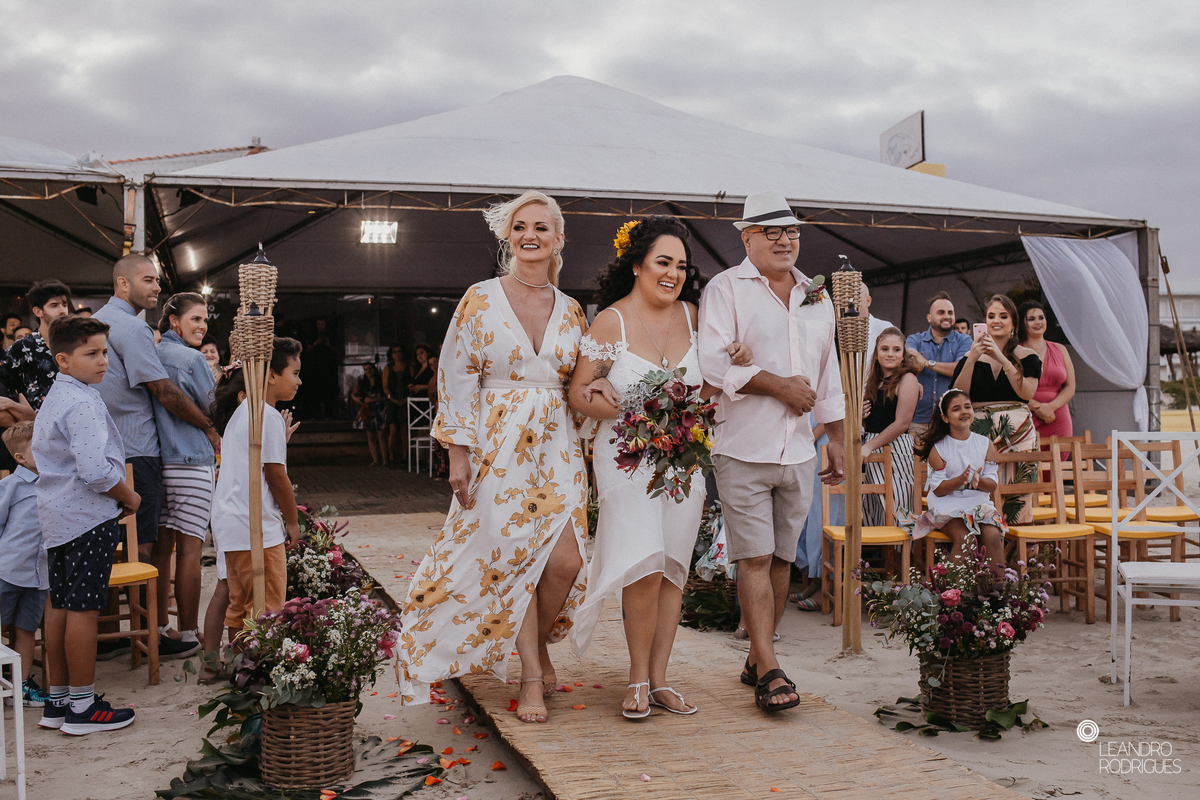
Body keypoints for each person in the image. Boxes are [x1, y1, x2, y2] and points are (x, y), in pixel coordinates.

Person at [398, 190, 598, 724]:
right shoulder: (479, 298)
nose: (530, 235)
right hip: (497, 444)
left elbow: (582, 384)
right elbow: (456, 375)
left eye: (541, 227)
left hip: (557, 445)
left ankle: (534, 644)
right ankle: (531, 671)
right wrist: (457, 455)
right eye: (520, 227)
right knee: (513, 559)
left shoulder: (574, 309)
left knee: (565, 560)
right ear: (508, 237)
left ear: (558, 238)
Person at [568, 215, 752, 718]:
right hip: (627, 458)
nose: (672, 273)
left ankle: (660, 679)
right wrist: (626, 408)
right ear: (638, 265)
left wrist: (735, 357)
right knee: (643, 564)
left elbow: (710, 385)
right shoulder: (611, 321)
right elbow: (579, 393)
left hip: (683, 460)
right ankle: (635, 680)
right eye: (663, 262)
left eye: (681, 266)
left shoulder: (695, 316)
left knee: (672, 566)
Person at [698, 190, 845, 713]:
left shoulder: (817, 296)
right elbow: (712, 365)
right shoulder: (725, 287)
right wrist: (778, 386)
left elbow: (828, 374)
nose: (786, 241)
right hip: (742, 446)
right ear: (747, 239)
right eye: (772, 232)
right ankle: (771, 669)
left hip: (800, 450)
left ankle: (756, 658)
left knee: (783, 559)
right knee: (754, 557)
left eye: (793, 232)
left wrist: (839, 439)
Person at [94, 255, 220, 660]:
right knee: (144, 547)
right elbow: (162, 391)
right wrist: (207, 425)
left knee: (134, 545)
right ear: (122, 283)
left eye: (158, 281)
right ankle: (150, 636)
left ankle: (128, 635)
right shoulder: (131, 328)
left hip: (116, 448)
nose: (155, 288)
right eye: (148, 280)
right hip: (139, 450)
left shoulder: (101, 321)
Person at [33, 315, 140, 734]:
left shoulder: (58, 395)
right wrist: (128, 496)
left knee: (60, 603)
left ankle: (57, 701)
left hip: (59, 516)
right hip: (86, 517)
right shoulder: (80, 402)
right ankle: (82, 707)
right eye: (90, 354)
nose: (102, 361)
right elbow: (96, 471)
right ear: (63, 360)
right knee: (84, 609)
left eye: (104, 352)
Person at [210, 338, 302, 637]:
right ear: (271, 375)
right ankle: (257, 671)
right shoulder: (267, 415)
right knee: (266, 606)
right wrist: (292, 520)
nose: (299, 381)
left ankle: (239, 668)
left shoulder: (245, 412)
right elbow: (276, 476)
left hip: (230, 524)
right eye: (295, 373)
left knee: (240, 605)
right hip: (256, 528)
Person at [152, 293, 218, 655]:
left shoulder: (154, 355)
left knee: (162, 550)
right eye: (195, 319)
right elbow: (214, 406)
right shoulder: (192, 359)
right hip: (191, 460)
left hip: (159, 461)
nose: (202, 325)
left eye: (205, 319)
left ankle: (161, 628)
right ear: (175, 321)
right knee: (190, 550)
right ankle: (190, 633)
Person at [910, 389, 1006, 567]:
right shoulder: (938, 448)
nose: (963, 411)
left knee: (993, 535)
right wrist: (961, 480)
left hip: (978, 505)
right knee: (965, 538)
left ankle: (994, 590)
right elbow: (937, 490)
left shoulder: (985, 444)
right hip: (946, 508)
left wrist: (979, 481)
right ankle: (949, 592)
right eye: (956, 409)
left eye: (967, 407)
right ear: (945, 418)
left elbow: (991, 485)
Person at [0, 422, 51, 706]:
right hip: (8, 570)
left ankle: (20, 687)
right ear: (20, 458)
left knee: (27, 628)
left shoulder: (55, 482)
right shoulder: (10, 487)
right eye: (39, 447)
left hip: (39, 574)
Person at [861, 327, 922, 526]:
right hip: (869, 450)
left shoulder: (908, 379)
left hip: (895, 450)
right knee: (872, 510)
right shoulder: (872, 381)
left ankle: (901, 556)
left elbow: (902, 422)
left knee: (897, 508)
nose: (890, 354)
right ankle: (877, 556)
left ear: (903, 355)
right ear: (877, 354)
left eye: (896, 350)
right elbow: (868, 421)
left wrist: (869, 447)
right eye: (885, 349)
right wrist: (859, 416)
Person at [905, 292, 971, 438]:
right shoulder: (914, 339)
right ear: (929, 318)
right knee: (915, 461)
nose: (947, 316)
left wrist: (927, 363)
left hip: (951, 423)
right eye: (941, 312)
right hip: (917, 422)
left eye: (950, 312)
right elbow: (910, 356)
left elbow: (960, 369)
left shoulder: (964, 340)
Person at [6, 279, 73, 414]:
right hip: (37, 425)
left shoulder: (76, 343)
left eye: (64, 305)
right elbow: (5, 381)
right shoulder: (23, 346)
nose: (62, 311)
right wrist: (18, 405)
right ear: (38, 311)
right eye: (54, 305)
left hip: (76, 419)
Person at [1019, 301, 1075, 440]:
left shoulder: (1061, 349)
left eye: (1041, 317)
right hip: (1025, 415)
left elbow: (1070, 386)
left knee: (1059, 460)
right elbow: (1009, 387)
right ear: (1023, 324)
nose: (1038, 322)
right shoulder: (1015, 352)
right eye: (1031, 319)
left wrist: (1051, 407)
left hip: (1058, 415)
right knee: (1027, 460)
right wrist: (1038, 408)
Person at [352, 362, 389, 467]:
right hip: (369, 410)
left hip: (380, 409)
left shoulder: (380, 382)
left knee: (381, 435)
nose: (368, 371)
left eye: (370, 369)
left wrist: (373, 399)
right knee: (370, 435)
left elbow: (387, 396)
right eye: (366, 369)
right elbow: (353, 394)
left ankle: (385, 460)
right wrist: (359, 400)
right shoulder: (363, 383)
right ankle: (375, 460)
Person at [383, 345, 409, 469]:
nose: (397, 354)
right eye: (395, 352)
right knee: (392, 431)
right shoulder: (388, 368)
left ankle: (405, 457)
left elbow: (411, 382)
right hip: (392, 401)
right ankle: (391, 457)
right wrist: (391, 398)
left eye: (399, 351)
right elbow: (385, 386)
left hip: (406, 400)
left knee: (404, 430)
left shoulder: (409, 367)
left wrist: (406, 398)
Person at [860, 284, 894, 369]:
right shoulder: (838, 332)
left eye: (856, 299)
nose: (851, 304)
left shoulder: (884, 328)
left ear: (868, 301)